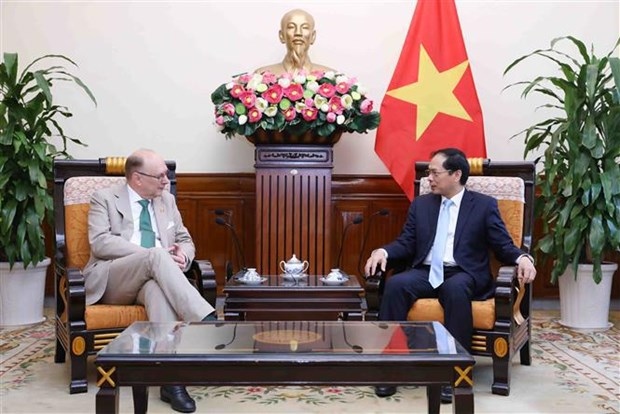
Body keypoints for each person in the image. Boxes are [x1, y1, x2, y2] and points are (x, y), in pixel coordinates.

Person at [364, 148, 537, 402]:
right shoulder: (422, 205)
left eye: (435, 172)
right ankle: (391, 368)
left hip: (463, 272)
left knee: (454, 289)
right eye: (428, 172)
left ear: (456, 174)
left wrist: (522, 257)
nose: (429, 178)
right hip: (425, 271)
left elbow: (502, 245)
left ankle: (453, 372)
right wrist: (384, 252)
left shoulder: (483, 205)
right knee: (397, 284)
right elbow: (407, 243)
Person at [84, 148, 216, 414]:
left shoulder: (166, 200)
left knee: (156, 288)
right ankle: (207, 321)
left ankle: (171, 381)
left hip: (154, 278)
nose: (166, 181)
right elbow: (100, 242)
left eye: (166, 175)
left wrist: (183, 257)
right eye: (160, 176)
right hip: (114, 278)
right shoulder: (104, 198)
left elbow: (185, 240)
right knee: (156, 256)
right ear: (137, 178)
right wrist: (152, 256)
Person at [255, 8, 335, 76]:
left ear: (313, 36)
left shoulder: (331, 76)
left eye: (305, 27)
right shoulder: (261, 76)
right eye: (291, 27)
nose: (298, 33)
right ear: (281, 35)